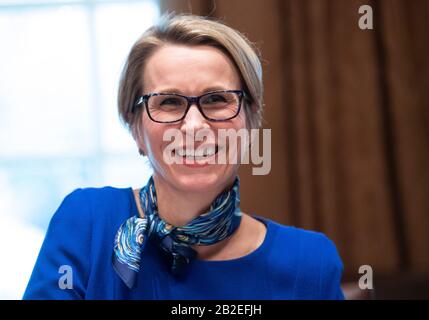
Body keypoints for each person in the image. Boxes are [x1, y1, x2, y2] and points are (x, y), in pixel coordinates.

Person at [23, 14, 345, 300]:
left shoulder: (310, 262)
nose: (194, 126)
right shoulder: (87, 224)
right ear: (135, 128)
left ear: (251, 120)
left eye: (217, 98)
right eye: (169, 102)